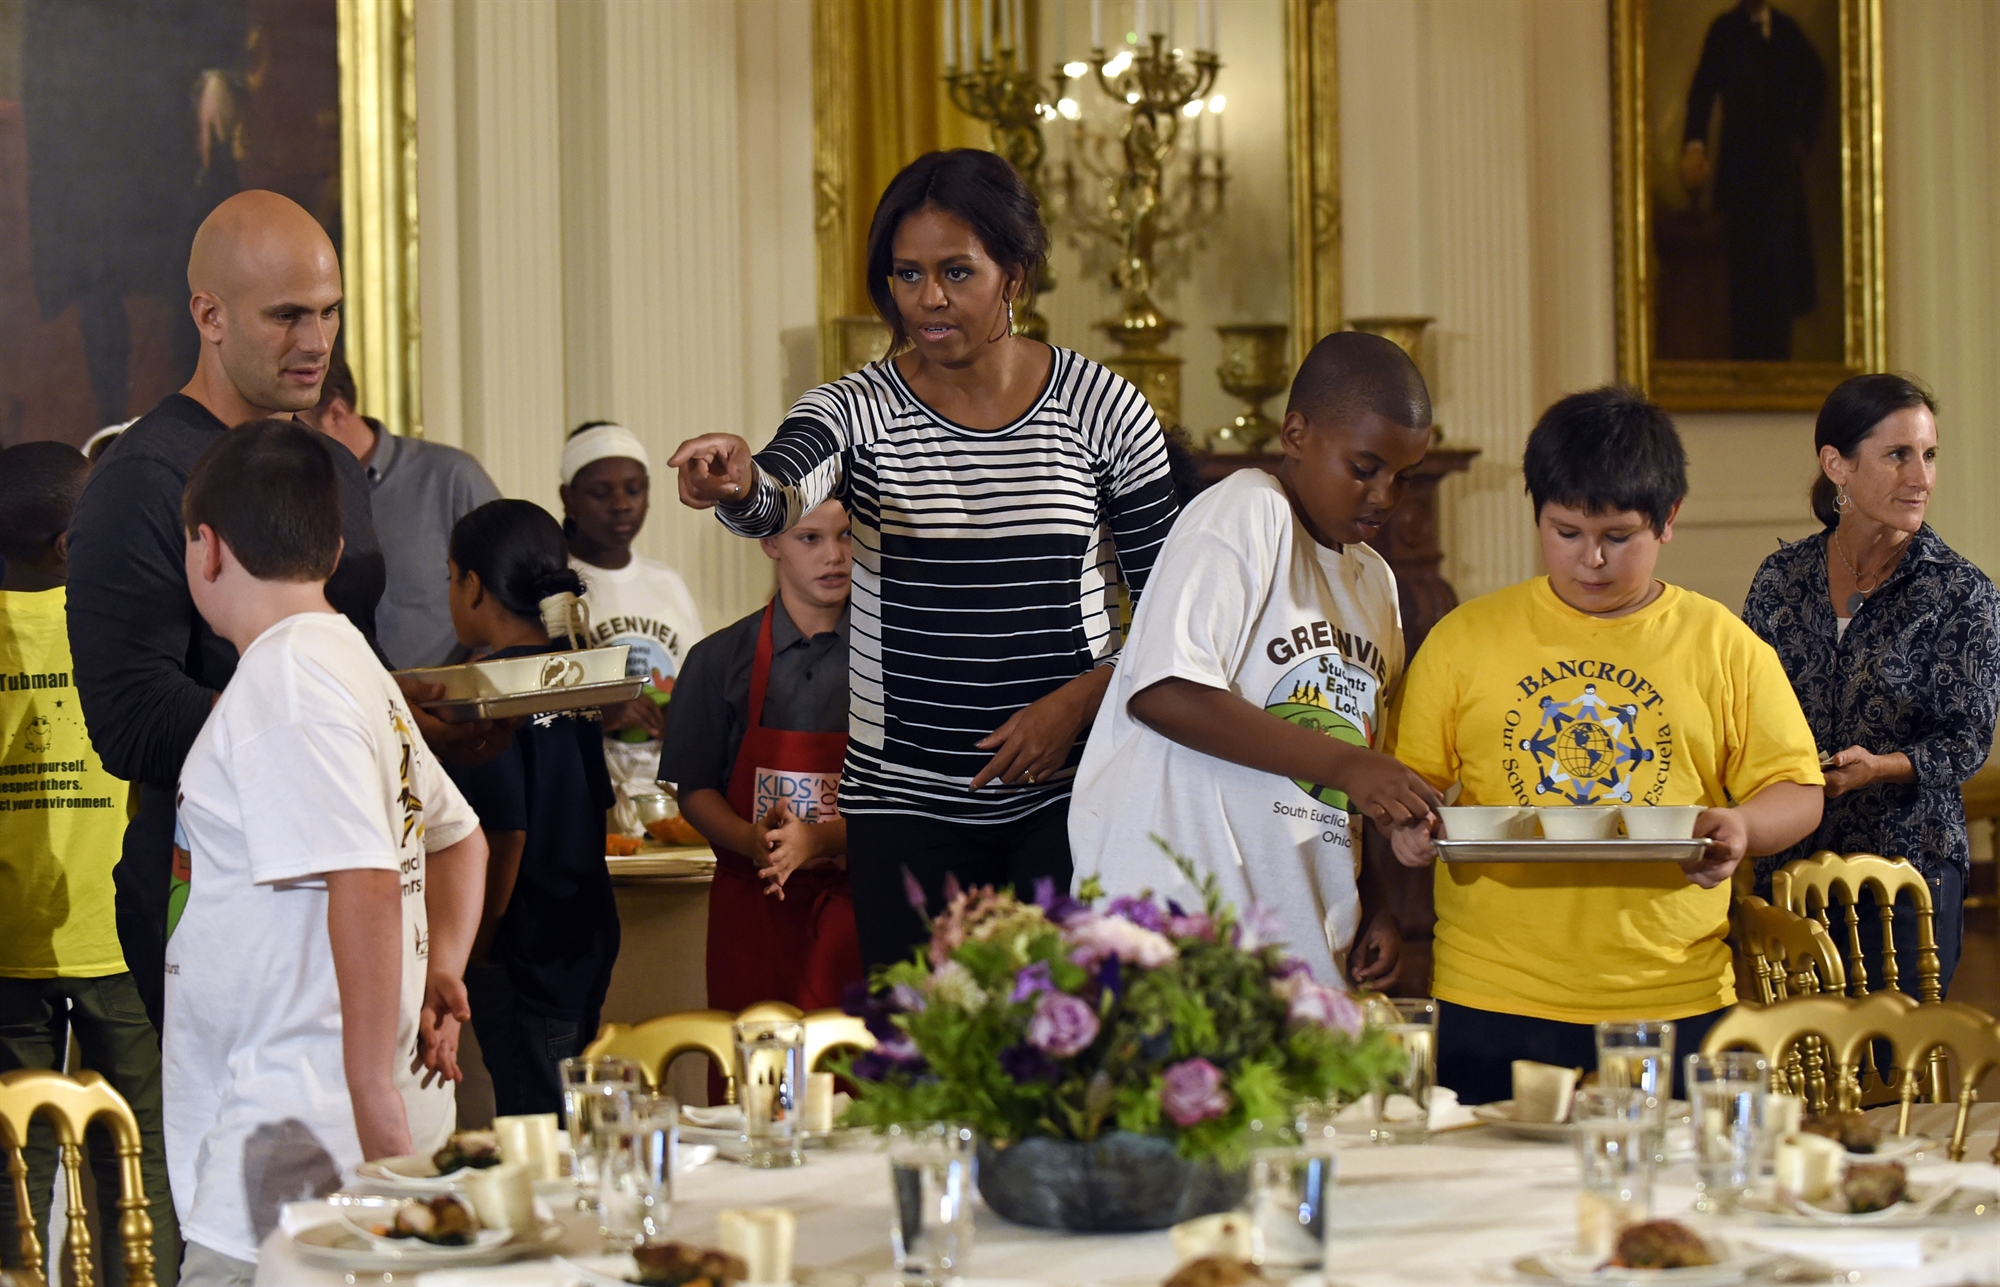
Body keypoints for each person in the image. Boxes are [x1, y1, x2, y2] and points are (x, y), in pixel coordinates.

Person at [670, 149, 1180, 971]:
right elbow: (781, 489)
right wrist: (736, 483)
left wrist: (1075, 706)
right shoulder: (857, 407)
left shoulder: (1102, 405)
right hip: (903, 814)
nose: (929, 299)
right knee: (925, 1065)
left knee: (1064, 1059)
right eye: (907, 275)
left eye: (955, 271)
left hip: (1073, 802)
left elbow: (1173, 608)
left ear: (1013, 275)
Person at [1385, 387, 1824, 1104]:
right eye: (1565, 532)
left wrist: (1744, 826)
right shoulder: (1466, 638)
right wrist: (1406, 830)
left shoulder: (1722, 645)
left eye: (1618, 537)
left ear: (1669, 518)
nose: (1590, 559)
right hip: (1492, 990)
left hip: (1672, 991)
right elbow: (1410, 786)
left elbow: (1798, 790)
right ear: (1537, 514)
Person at [165, 422, 486, 1287]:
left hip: (300, 1131)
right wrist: (440, 969)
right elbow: (461, 838)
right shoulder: (349, 657)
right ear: (336, 546)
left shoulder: (288, 681)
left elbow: (366, 880)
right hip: (322, 1114)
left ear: (207, 548)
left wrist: (373, 1101)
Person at [63, 190, 386, 1032]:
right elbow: (130, 716)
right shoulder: (141, 480)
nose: (316, 343)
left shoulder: (331, 467)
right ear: (208, 313)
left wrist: (412, 717)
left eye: (329, 313)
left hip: (353, 858)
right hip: (209, 878)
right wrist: (316, 734)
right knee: (238, 1155)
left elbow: (353, 664)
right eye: (286, 316)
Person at [1069, 332, 1439, 987]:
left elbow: (1350, 759)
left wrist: (1373, 896)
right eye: (1365, 467)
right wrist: (1350, 763)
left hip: (1302, 938)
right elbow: (1165, 690)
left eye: (1403, 477)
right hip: (1180, 932)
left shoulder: (1375, 582)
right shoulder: (1248, 509)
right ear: (1296, 433)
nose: (1385, 495)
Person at [1744, 374, 2000, 995]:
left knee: (1891, 1076)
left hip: (1907, 876)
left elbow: (1967, 741)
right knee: (1797, 1069)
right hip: (1788, 868)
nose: (1921, 477)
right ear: (1837, 465)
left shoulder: (1961, 592)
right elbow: (1741, 709)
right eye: (1897, 455)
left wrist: (1881, 766)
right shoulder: (1781, 579)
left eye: (1929, 454)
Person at [0, 442, 177, 1286]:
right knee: (136, 1154)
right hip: (120, 934)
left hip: (10, 939)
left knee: (17, 1158)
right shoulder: (121, 622)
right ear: (75, 546)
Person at [444, 500, 619, 1117]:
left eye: (449, 576)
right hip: (583, 934)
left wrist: (479, 944)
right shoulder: (576, 675)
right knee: (568, 1111)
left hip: (524, 950)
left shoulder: (487, 689)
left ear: (472, 585)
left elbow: (505, 832)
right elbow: (595, 801)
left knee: (536, 1123)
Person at [659, 498, 863, 1015]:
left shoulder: (891, 653)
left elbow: (911, 796)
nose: (834, 556)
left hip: (858, 907)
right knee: (754, 1069)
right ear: (770, 543)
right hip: (752, 911)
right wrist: (751, 840)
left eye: (846, 535)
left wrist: (819, 839)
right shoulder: (716, 660)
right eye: (811, 538)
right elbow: (695, 787)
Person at [302, 355, 502, 669]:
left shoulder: (450, 477)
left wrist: (480, 680)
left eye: (294, 426)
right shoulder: (291, 495)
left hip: (446, 704)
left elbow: (508, 587)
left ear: (336, 414)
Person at [560, 421, 705, 837]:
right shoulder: (555, 586)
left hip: (667, 802)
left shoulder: (667, 583)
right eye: (600, 493)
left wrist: (680, 714)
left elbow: (698, 684)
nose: (621, 504)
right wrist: (597, 713)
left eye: (634, 489)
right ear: (568, 498)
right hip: (588, 801)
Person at [1679, 0, 1826, 360]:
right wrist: (1694, 146)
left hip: (1780, 184)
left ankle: (1778, 369)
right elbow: (1703, 90)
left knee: (1780, 282)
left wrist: (1801, 138)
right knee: (1742, 284)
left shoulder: (1788, 32)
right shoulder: (1724, 30)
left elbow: (1818, 82)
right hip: (1739, 180)